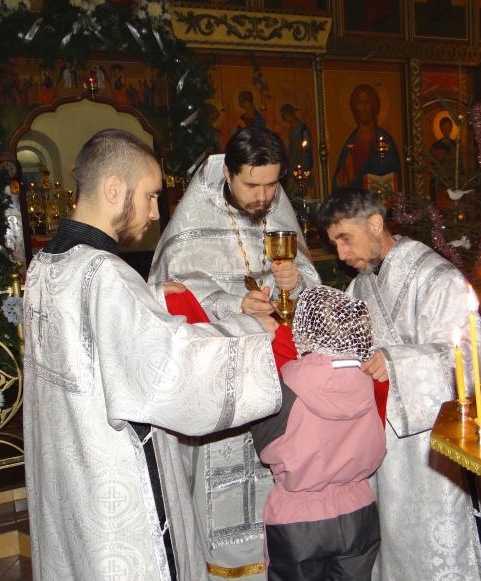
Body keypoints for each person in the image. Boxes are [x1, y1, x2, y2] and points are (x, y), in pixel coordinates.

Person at [23, 129, 284, 581]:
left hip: (74, 478)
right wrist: (254, 334)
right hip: (116, 487)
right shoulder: (104, 274)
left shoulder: (49, 264)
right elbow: (170, 371)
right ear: (114, 189)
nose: (154, 212)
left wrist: (155, 298)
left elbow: (94, 341)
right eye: (149, 195)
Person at [149, 127, 320, 580]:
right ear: (228, 174)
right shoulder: (193, 217)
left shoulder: (275, 206)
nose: (264, 197)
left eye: (272, 184)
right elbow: (170, 290)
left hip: (278, 372)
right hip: (220, 378)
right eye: (252, 185)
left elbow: (309, 281)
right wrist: (234, 304)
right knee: (221, 483)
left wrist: (295, 282)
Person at [318, 187, 481, 581]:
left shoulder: (437, 278)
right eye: (335, 244)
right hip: (385, 451)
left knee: (440, 548)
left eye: (345, 239)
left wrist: (397, 363)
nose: (341, 254)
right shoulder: (360, 287)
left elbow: (472, 356)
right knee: (395, 546)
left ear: (375, 223)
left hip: (435, 449)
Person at [250, 285, 386, 581]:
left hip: (298, 520)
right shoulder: (369, 382)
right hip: (359, 511)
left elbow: (266, 449)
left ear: (305, 333)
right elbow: (377, 446)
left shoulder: (286, 386)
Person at [332, 84, 401, 194]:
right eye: (360, 103)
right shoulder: (351, 141)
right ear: (354, 108)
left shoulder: (384, 139)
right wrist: (340, 180)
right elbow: (341, 175)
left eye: (367, 103)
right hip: (355, 199)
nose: (363, 109)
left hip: (376, 198)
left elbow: (393, 173)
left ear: (374, 106)